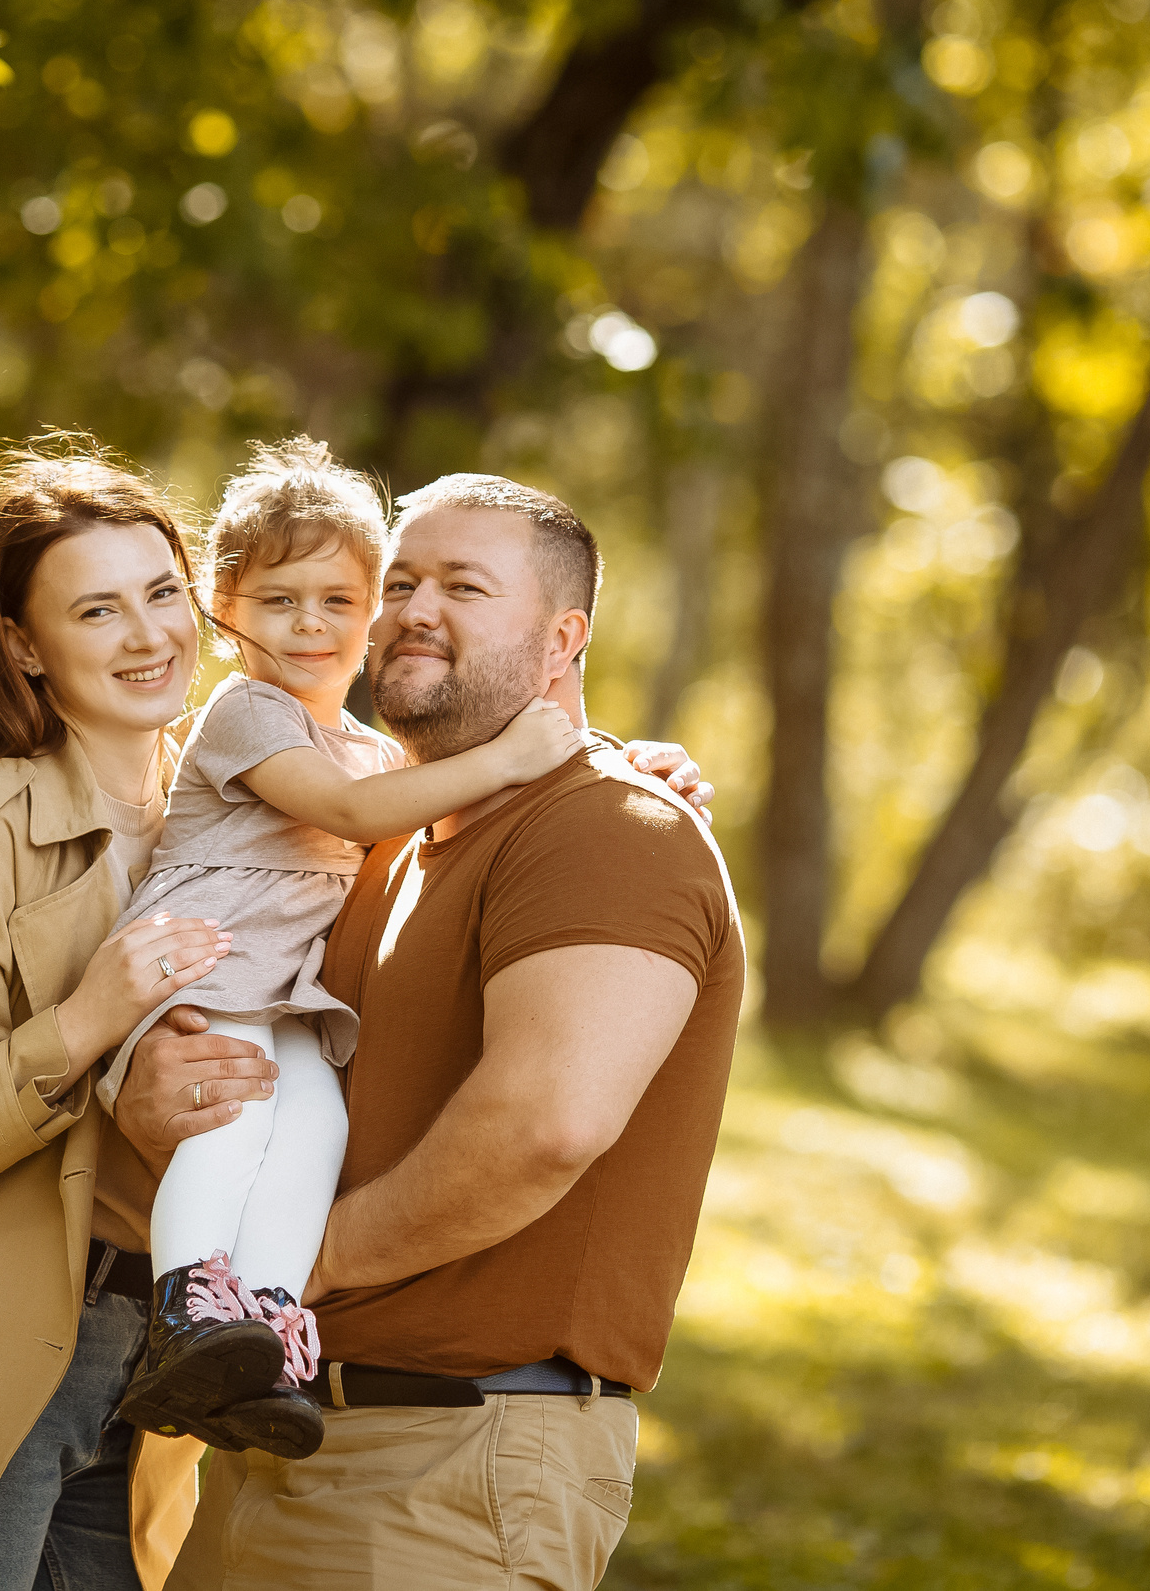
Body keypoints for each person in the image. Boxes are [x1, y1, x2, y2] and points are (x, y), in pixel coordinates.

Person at [0, 440, 716, 1591]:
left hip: (164, 1389)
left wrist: (614, 768)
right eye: (96, 610)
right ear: (26, 644)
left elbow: (438, 782)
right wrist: (84, 1037)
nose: (146, 635)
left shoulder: (245, 803)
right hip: (10, 1351)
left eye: (160, 594)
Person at [118, 474, 746, 1591]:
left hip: (450, 1465)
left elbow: (544, 1127)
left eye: (463, 585)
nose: (415, 608)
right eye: (400, 580)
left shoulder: (608, 830)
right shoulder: (382, 837)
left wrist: (292, 1277)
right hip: (284, 1436)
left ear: (563, 638)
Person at [96, 442, 591, 1460]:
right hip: (206, 970)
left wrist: (622, 756)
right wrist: (508, 755)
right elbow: (362, 812)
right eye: (279, 602)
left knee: (316, 1134)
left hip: (286, 999)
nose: (311, 628)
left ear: (369, 616)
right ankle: (187, 1307)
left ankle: (268, 1328)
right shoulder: (246, 717)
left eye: (338, 602)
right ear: (224, 610)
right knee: (232, 1127)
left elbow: (422, 780)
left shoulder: (368, 745)